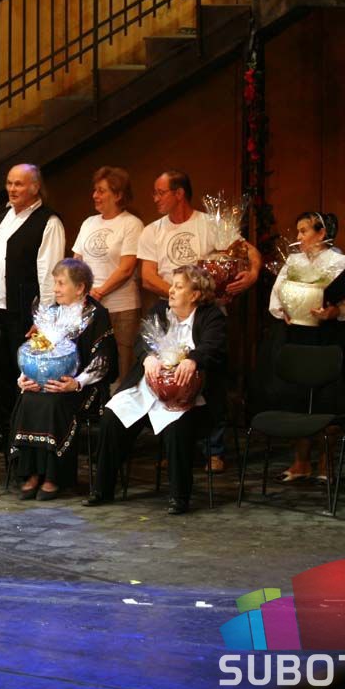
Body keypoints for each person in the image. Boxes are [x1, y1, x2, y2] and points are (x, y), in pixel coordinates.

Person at [136, 170, 260, 472]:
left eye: (160, 192)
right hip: (170, 313)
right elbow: (148, 276)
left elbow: (249, 252)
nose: (155, 198)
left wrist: (253, 273)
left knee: (210, 377)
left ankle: (213, 450)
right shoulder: (152, 231)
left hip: (208, 314)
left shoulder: (209, 224)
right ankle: (176, 447)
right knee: (170, 376)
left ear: (179, 193)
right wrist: (182, 294)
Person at [84, 265, 227, 515]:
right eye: (172, 285)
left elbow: (213, 346)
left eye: (178, 287)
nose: (171, 291)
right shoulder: (160, 310)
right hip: (148, 388)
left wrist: (193, 360)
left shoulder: (211, 316)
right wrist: (148, 357)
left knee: (177, 424)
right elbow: (141, 340)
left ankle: (179, 496)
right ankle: (102, 488)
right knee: (111, 417)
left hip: (189, 394)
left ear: (195, 295)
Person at [266, 211, 345, 482]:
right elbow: (277, 294)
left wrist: (334, 311)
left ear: (321, 233)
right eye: (298, 231)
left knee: (326, 399)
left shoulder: (340, 262)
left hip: (326, 338)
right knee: (297, 397)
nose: (299, 237)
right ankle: (301, 462)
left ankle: (325, 464)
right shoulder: (293, 261)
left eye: (304, 231)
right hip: (297, 336)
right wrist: (283, 310)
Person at [11, 259, 117, 500]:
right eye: (55, 283)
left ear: (80, 288)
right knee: (29, 398)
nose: (56, 289)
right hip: (46, 382)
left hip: (83, 387)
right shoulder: (51, 313)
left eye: (61, 283)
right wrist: (25, 377)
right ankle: (33, 472)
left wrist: (76, 383)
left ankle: (53, 476)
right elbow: (35, 352)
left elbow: (103, 361)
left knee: (53, 402)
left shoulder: (97, 315)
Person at [0, 163, 66, 449]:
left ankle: (23, 433)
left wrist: (43, 318)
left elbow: (50, 273)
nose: (12, 189)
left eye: (19, 184)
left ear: (35, 187)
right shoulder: (0, 215)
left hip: (25, 313)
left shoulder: (48, 222)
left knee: (25, 373)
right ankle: (4, 430)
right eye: (9, 183)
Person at [72, 166, 143, 378]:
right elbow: (76, 262)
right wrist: (80, 293)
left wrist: (99, 291)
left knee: (121, 365)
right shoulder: (88, 223)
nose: (95, 195)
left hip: (121, 308)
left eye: (101, 191)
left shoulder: (132, 224)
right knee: (90, 363)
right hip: (89, 306)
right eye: (95, 190)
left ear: (118, 195)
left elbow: (127, 268)